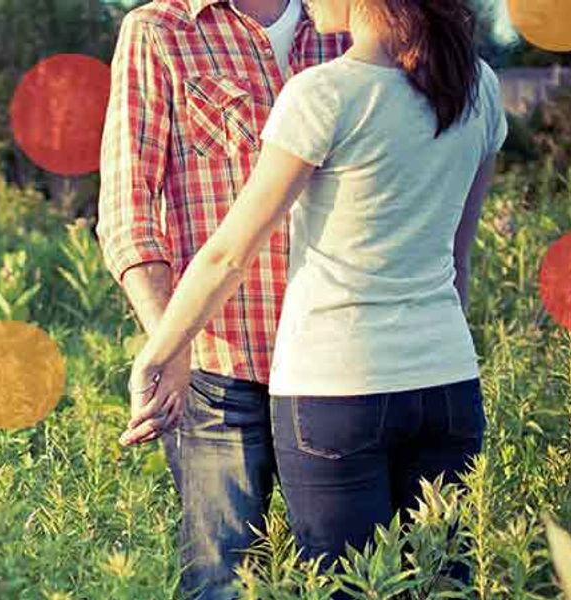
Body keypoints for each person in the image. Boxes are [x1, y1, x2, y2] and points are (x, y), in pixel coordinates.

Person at [119, 0, 505, 594]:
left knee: (346, 585)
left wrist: (157, 350)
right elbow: (458, 259)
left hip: (332, 384)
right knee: (437, 582)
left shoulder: (325, 87)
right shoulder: (479, 84)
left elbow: (228, 253)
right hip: (437, 379)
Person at [96, 0, 349, 597]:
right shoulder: (160, 31)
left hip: (341, 367)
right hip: (219, 372)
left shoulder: (348, 25)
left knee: (353, 579)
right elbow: (126, 213)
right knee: (223, 582)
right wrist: (171, 342)